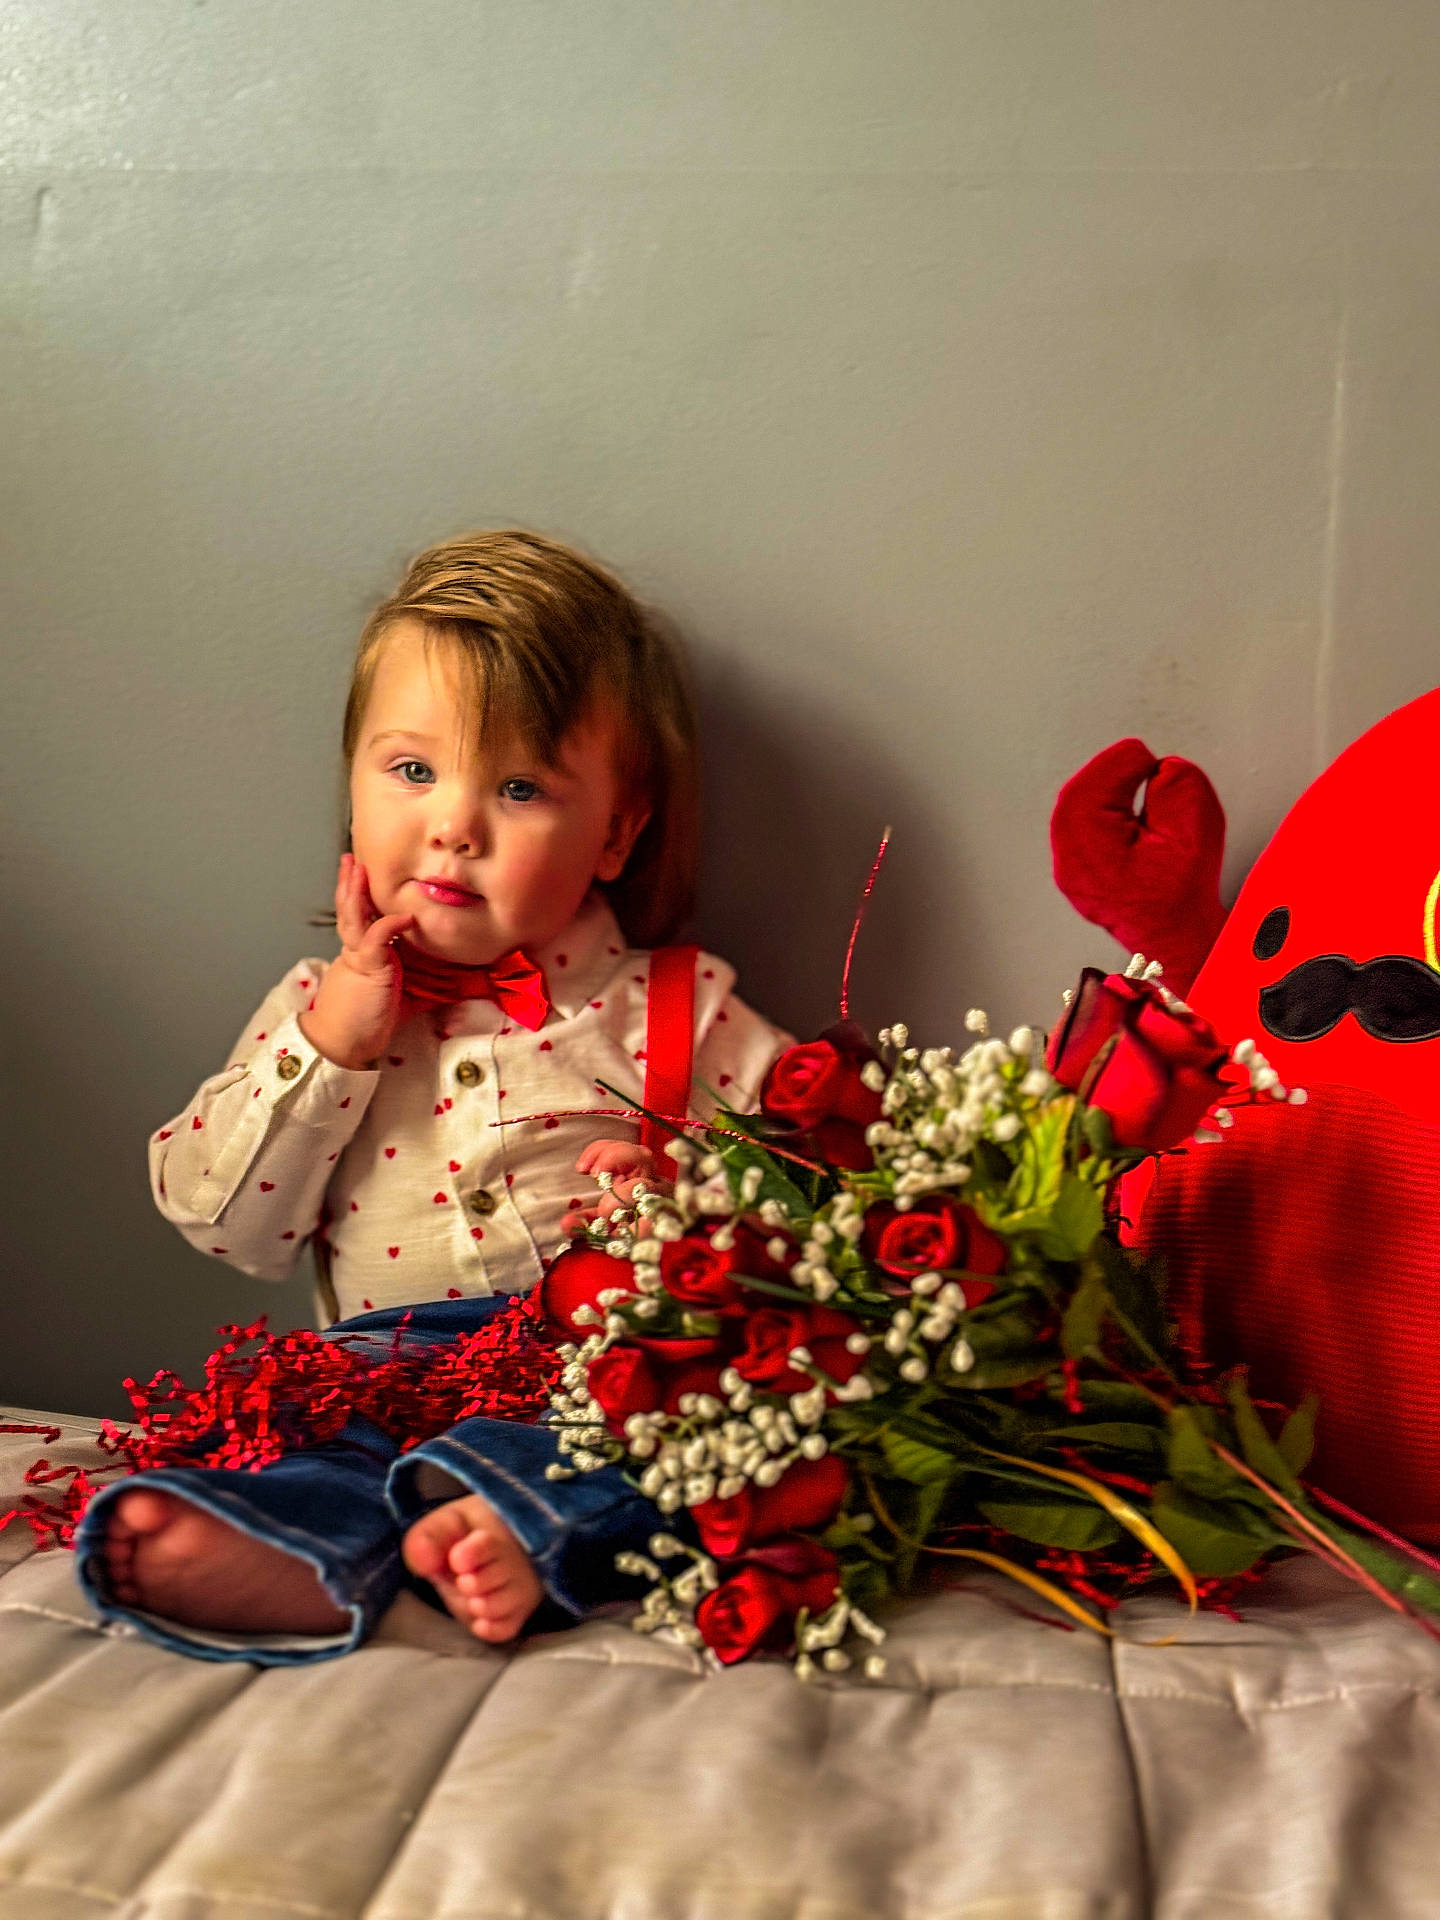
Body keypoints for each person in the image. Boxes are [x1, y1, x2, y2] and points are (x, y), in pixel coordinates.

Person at [74, 529, 793, 1663]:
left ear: (616, 831)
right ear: (353, 782)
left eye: (518, 786)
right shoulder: (321, 1012)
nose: (453, 824)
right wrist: (332, 1049)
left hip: (591, 1373)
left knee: (665, 1451)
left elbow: (821, 1219)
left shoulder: (679, 1012)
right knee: (316, 1446)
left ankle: (507, 1523)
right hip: (382, 1368)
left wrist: (687, 1210)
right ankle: (291, 1555)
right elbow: (225, 1226)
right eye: (413, 772)